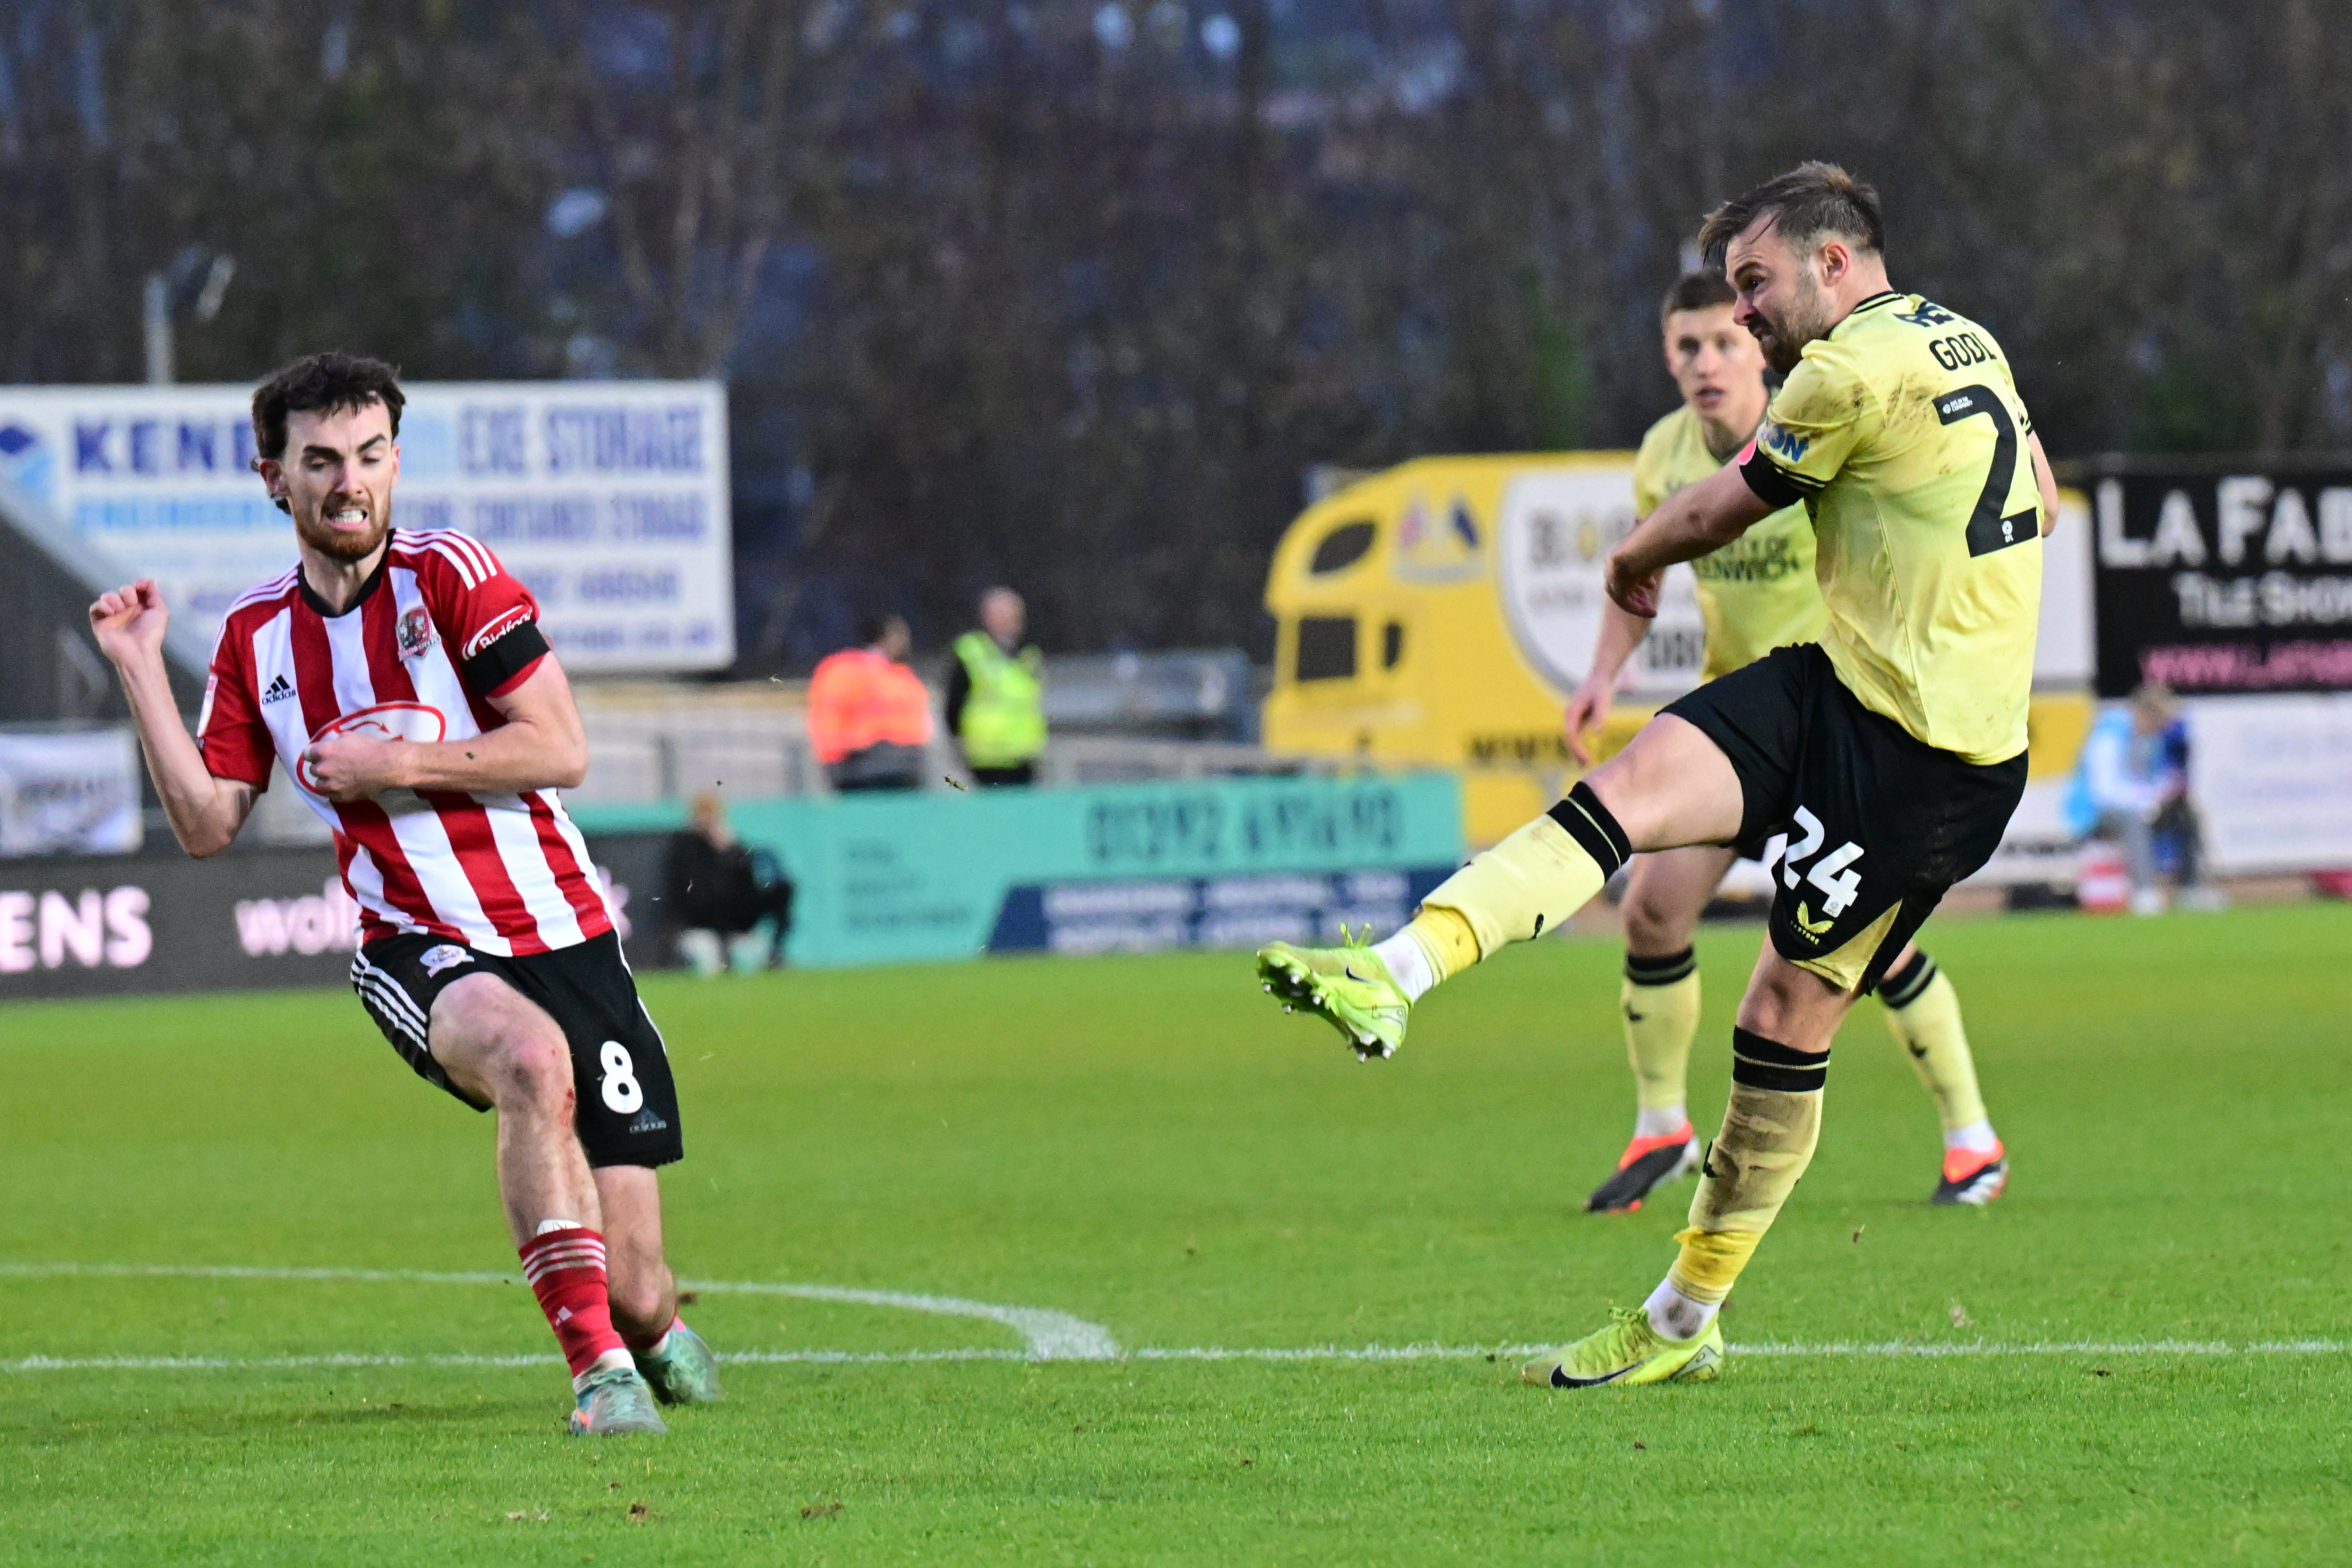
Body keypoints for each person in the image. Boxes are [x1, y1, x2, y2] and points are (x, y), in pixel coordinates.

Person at [1253, 163, 2056, 1390]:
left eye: (1754, 285)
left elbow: (1714, 514)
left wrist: (1631, 557)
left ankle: (1685, 1313)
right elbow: (2041, 500)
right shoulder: (1966, 341)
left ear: (1831, 263)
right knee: (1631, 793)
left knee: (1782, 1017)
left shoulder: (1843, 368)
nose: (1742, 317)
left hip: (1928, 759)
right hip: (1834, 681)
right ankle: (1393, 970)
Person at [86, 353, 719, 1437]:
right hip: (417, 943)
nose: (351, 482)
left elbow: (559, 747)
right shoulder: (253, 641)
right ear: (271, 477)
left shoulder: (454, 576)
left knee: (640, 1286)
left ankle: (645, 1335)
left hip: (567, 937)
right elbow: (204, 825)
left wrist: (398, 766)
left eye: (371, 456)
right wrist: (139, 665)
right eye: (321, 460)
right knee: (528, 1063)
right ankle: (598, 1379)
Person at [1561, 271, 2008, 1215]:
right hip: (1741, 734)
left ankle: (1972, 1140)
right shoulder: (1661, 457)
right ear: (1666, 358)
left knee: (1862, 953)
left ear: (1750, 344)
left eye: (1721, 340)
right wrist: (1601, 674)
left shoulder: (1816, 411)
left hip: (1838, 722)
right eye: (1684, 347)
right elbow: (1640, 577)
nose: (1704, 362)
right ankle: (1660, 1126)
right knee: (1649, 911)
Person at [2066, 682, 2222, 915]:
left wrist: (2166, 791)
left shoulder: (2151, 738)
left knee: (2186, 813)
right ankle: (2145, 892)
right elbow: (2105, 791)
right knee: (2132, 821)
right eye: (2160, 722)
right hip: (2094, 812)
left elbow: (2151, 779)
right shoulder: (2110, 733)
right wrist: (2149, 800)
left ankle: (2190, 888)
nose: (2162, 729)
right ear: (2145, 714)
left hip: (2140, 805)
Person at [665, 790, 795, 974]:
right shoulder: (684, 850)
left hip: (734, 932)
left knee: (749, 960)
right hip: (698, 929)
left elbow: (747, 892)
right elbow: (691, 897)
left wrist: (730, 853)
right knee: (707, 958)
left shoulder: (734, 851)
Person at [807, 613, 933, 792]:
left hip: (904, 764)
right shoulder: (847, 671)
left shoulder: (902, 676)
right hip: (859, 766)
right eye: (899, 635)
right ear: (883, 639)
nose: (905, 642)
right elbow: (831, 718)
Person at [945, 587, 1047, 786]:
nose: (1013, 622)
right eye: (1006, 615)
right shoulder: (971, 651)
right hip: (986, 758)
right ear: (988, 618)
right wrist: (959, 744)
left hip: (1024, 755)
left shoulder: (1029, 655)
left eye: (1016, 616)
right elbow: (953, 705)